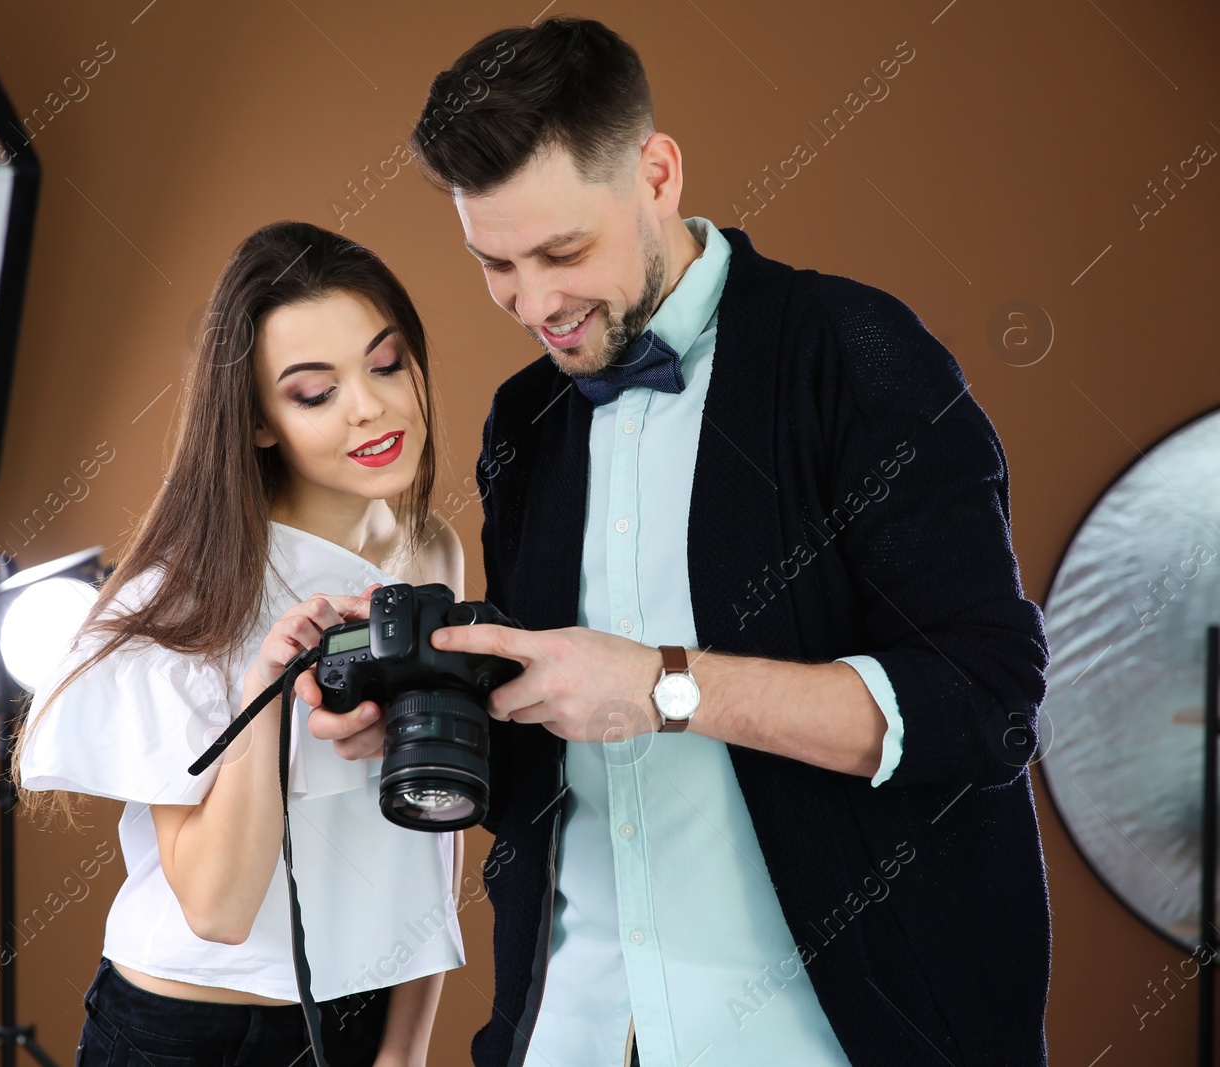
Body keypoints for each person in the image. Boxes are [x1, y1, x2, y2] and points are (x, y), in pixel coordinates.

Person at [309, 17, 1051, 1067]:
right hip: (566, 1029)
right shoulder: (525, 420)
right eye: (495, 264)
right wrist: (427, 694)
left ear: (656, 172)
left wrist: (667, 686)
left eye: (563, 251)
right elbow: (555, 767)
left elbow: (983, 705)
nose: (536, 302)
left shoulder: (853, 350)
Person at [11, 219, 468, 1067]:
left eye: (386, 362)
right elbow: (218, 907)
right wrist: (270, 685)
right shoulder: (192, 597)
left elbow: (431, 811)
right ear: (258, 420)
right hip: (189, 1035)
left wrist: (405, 1047)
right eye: (313, 390)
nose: (369, 406)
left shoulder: (429, 548)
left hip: (356, 1019)